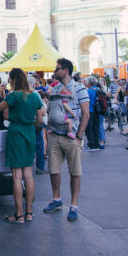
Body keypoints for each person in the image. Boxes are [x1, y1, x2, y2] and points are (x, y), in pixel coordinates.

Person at [0, 69, 44, 222]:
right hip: (29, 133)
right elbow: (40, 120)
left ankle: (19, 214)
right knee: (28, 175)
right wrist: (30, 124)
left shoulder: (14, 95)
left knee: (16, 176)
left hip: (15, 133)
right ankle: (29, 212)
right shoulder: (35, 96)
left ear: (14, 80)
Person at [43, 58, 90, 222]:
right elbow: (51, 109)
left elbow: (86, 114)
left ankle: (74, 205)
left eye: (57, 69)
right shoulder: (54, 89)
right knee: (53, 170)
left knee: (75, 172)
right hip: (55, 135)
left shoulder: (79, 88)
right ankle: (57, 199)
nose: (55, 72)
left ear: (66, 70)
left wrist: (79, 136)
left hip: (72, 137)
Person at [85, 77, 100, 152]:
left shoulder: (89, 91)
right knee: (96, 127)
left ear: (89, 83)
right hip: (98, 110)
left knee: (89, 127)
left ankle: (92, 144)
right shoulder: (98, 89)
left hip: (90, 110)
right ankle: (97, 144)